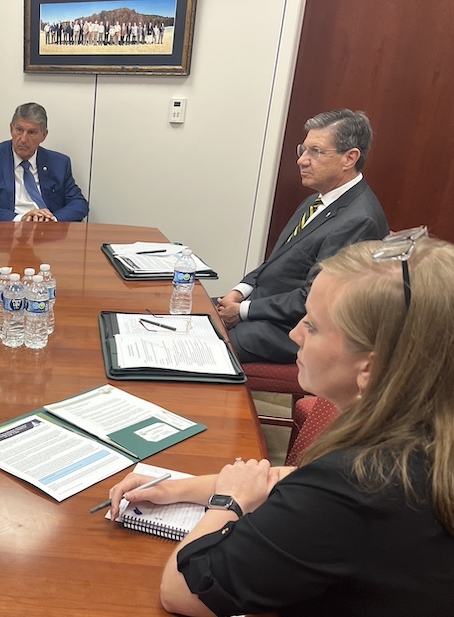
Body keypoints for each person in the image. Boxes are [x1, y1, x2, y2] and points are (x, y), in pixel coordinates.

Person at [108, 233, 454, 616]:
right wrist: (179, 489)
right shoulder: (427, 435)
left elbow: (184, 590)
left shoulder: (357, 485)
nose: (295, 334)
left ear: (369, 367)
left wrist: (227, 504)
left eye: (315, 327)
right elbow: (296, 482)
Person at [216, 109, 388, 363]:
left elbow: (316, 299)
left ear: (349, 158)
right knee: (191, 308)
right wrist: (239, 292)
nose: (302, 160)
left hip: (296, 331)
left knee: (207, 349)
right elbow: (276, 261)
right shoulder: (315, 200)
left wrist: (242, 311)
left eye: (315, 152)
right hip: (265, 310)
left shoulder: (359, 220)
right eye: (303, 150)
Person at [0, 102, 89, 223]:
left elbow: (79, 204)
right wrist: (19, 218)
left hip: (48, 233)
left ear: (44, 135)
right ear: (11, 129)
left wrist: (52, 219)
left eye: (31, 132)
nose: (23, 139)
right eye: (19, 130)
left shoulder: (59, 163)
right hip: (7, 233)